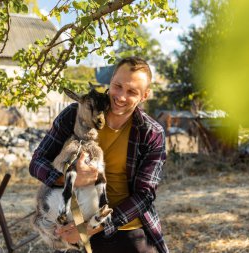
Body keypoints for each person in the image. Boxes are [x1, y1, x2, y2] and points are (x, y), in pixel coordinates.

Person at [29, 56, 168, 253]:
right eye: (117, 86)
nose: (120, 96)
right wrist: (68, 180)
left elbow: (144, 195)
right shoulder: (75, 114)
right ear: (110, 82)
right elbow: (36, 163)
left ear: (144, 96)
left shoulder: (151, 133)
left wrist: (90, 228)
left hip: (125, 224)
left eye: (132, 92)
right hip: (73, 222)